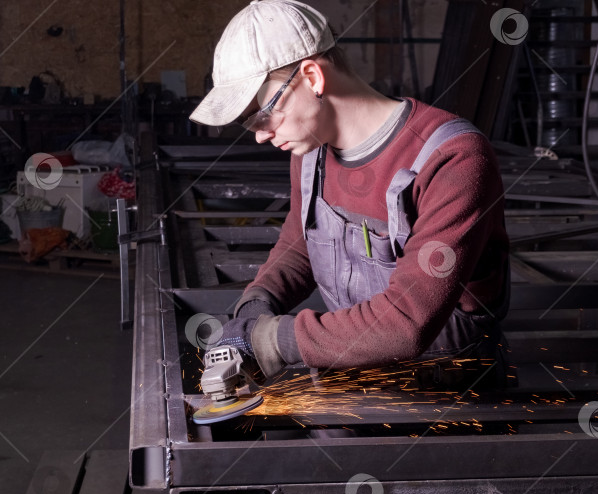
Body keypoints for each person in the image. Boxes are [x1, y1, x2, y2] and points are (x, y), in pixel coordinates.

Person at [189, 0, 510, 387]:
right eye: (248, 123)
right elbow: (301, 243)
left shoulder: (452, 159)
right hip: (348, 380)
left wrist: (271, 338)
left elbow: (406, 322)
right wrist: (259, 301)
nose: (260, 134)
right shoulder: (311, 152)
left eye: (261, 114)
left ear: (312, 78)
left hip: (448, 402)